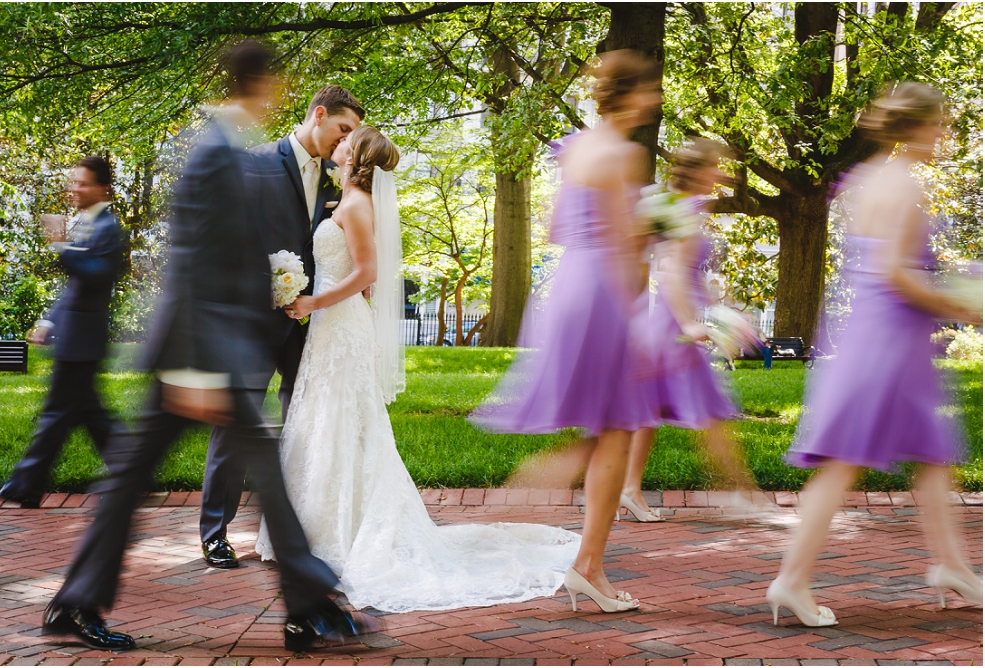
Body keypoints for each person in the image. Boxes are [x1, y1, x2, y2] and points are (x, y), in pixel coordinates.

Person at [42, 41, 372, 652]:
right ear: (264, 83)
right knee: (192, 474)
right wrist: (193, 367)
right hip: (197, 352)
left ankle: (304, 601)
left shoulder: (221, 145)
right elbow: (193, 261)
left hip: (214, 346)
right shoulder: (217, 151)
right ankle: (304, 600)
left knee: (191, 474)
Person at [256, 125, 581, 613]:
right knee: (325, 417)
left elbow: (368, 272)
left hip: (339, 324)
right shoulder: (343, 201)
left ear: (355, 154)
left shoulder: (357, 206)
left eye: (348, 138)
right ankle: (308, 528)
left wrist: (312, 301)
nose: (339, 141)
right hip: (331, 325)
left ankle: (339, 534)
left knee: (345, 417)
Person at [768, 82, 983, 628]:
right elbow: (895, 276)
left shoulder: (865, 180)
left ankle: (954, 566)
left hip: (884, 335)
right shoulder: (903, 187)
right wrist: (962, 306)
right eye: (940, 125)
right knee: (844, 461)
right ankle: (791, 580)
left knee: (931, 453)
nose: (944, 135)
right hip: (888, 339)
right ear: (918, 127)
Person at [471, 50, 662, 613]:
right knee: (618, 426)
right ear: (630, 95)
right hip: (604, 289)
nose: (654, 100)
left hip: (569, 286)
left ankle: (576, 548)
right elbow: (627, 248)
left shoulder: (576, 147)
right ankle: (588, 566)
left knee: (607, 425)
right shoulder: (626, 154)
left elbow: (559, 227)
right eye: (649, 90)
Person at [199, 85, 363, 569]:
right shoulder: (254, 162)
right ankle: (215, 532)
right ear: (318, 115)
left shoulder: (344, 178)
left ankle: (299, 532)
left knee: (307, 425)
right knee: (235, 426)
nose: (345, 142)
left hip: (312, 324)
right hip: (250, 323)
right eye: (342, 129)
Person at [622, 141, 770, 523]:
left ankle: (629, 490)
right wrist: (690, 322)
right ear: (699, 172)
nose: (720, 176)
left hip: (667, 323)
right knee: (709, 414)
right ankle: (745, 494)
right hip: (674, 327)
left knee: (650, 412)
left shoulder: (681, 208)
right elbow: (671, 272)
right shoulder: (683, 211)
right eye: (715, 169)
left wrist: (709, 307)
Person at [0, 157, 123, 508]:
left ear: (102, 187)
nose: (74, 189)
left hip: (83, 340)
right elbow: (75, 287)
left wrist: (60, 245)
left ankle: (26, 485)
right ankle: (130, 473)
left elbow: (97, 275)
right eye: (73, 182)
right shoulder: (89, 223)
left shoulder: (108, 228)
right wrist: (51, 320)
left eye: (82, 183)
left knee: (56, 415)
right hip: (74, 336)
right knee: (89, 416)